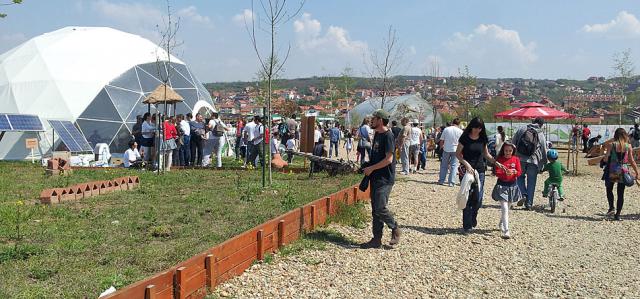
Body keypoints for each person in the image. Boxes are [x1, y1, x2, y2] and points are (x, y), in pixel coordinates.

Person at [457, 117, 506, 233]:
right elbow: (458, 154)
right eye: (475, 127)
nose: (477, 130)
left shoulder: (483, 139)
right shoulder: (464, 138)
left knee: (478, 198)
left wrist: (496, 163)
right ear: (471, 126)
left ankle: (474, 214)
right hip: (466, 170)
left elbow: (486, 154)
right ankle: (467, 225)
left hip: (480, 170)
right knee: (467, 197)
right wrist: (466, 164)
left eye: (479, 128)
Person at [360, 109, 400, 249]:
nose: (372, 120)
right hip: (375, 177)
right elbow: (376, 155)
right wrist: (367, 166)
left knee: (380, 207)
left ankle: (395, 228)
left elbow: (389, 159)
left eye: (374, 118)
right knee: (375, 210)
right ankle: (376, 239)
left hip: (385, 178)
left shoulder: (388, 136)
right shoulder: (377, 134)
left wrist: (372, 168)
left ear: (380, 120)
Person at [601, 128, 639, 220]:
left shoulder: (611, 145)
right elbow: (632, 160)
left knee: (609, 189)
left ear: (615, 135)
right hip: (624, 170)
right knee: (620, 193)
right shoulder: (628, 146)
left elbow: (606, 159)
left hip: (613, 169)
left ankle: (611, 207)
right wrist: (637, 172)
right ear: (625, 135)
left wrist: (605, 158)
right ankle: (617, 215)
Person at [511, 117, 548, 210]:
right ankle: (529, 204)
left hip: (520, 159)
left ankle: (523, 194)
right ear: (541, 125)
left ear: (533, 121)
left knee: (519, 177)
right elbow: (544, 149)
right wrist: (544, 162)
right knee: (532, 181)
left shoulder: (522, 129)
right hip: (533, 161)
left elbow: (513, 143)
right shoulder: (540, 133)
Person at [491, 141, 521, 239]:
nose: (508, 152)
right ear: (503, 150)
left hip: (513, 186)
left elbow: (520, 172)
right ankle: (507, 230)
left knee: (507, 208)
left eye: (510, 151)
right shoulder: (499, 159)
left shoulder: (516, 159)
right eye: (506, 150)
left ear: (513, 151)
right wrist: (505, 173)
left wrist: (515, 172)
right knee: (504, 207)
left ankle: (501, 223)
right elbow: (496, 172)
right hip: (501, 185)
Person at [438, 118, 463, 186]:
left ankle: (441, 180)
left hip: (446, 149)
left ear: (452, 122)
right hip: (456, 149)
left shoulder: (446, 129)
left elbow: (442, 140)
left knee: (444, 165)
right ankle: (451, 182)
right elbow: (462, 142)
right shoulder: (460, 131)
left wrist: (441, 147)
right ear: (459, 124)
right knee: (454, 166)